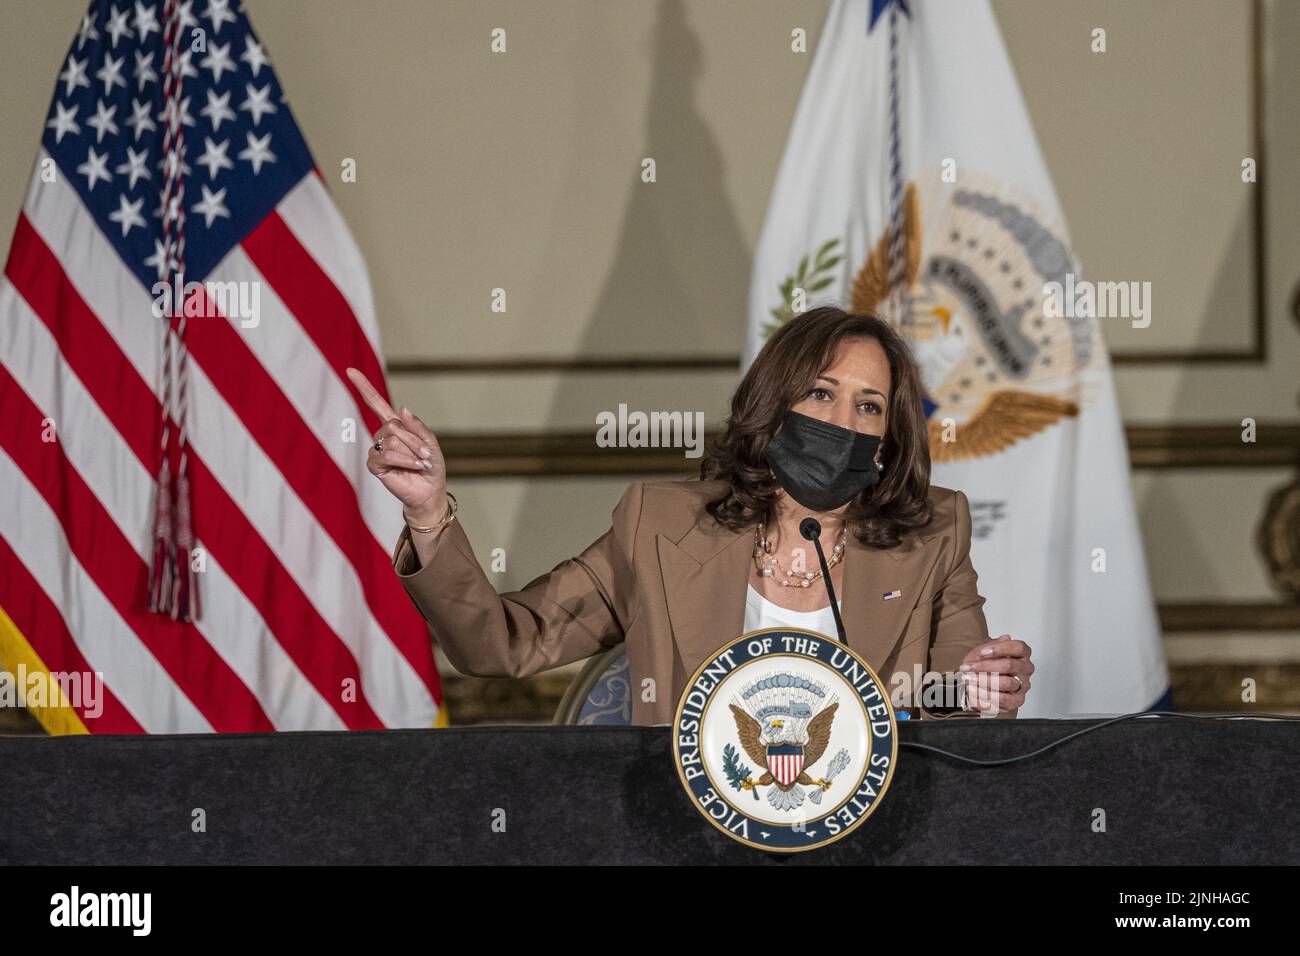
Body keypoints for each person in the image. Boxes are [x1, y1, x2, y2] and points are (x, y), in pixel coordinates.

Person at [347, 307, 1033, 725]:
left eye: (869, 406)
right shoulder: (662, 523)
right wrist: (431, 515)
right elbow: (503, 643)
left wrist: (981, 687)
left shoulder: (933, 534)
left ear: (889, 436)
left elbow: (944, 697)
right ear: (773, 405)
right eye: (821, 393)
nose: (841, 420)